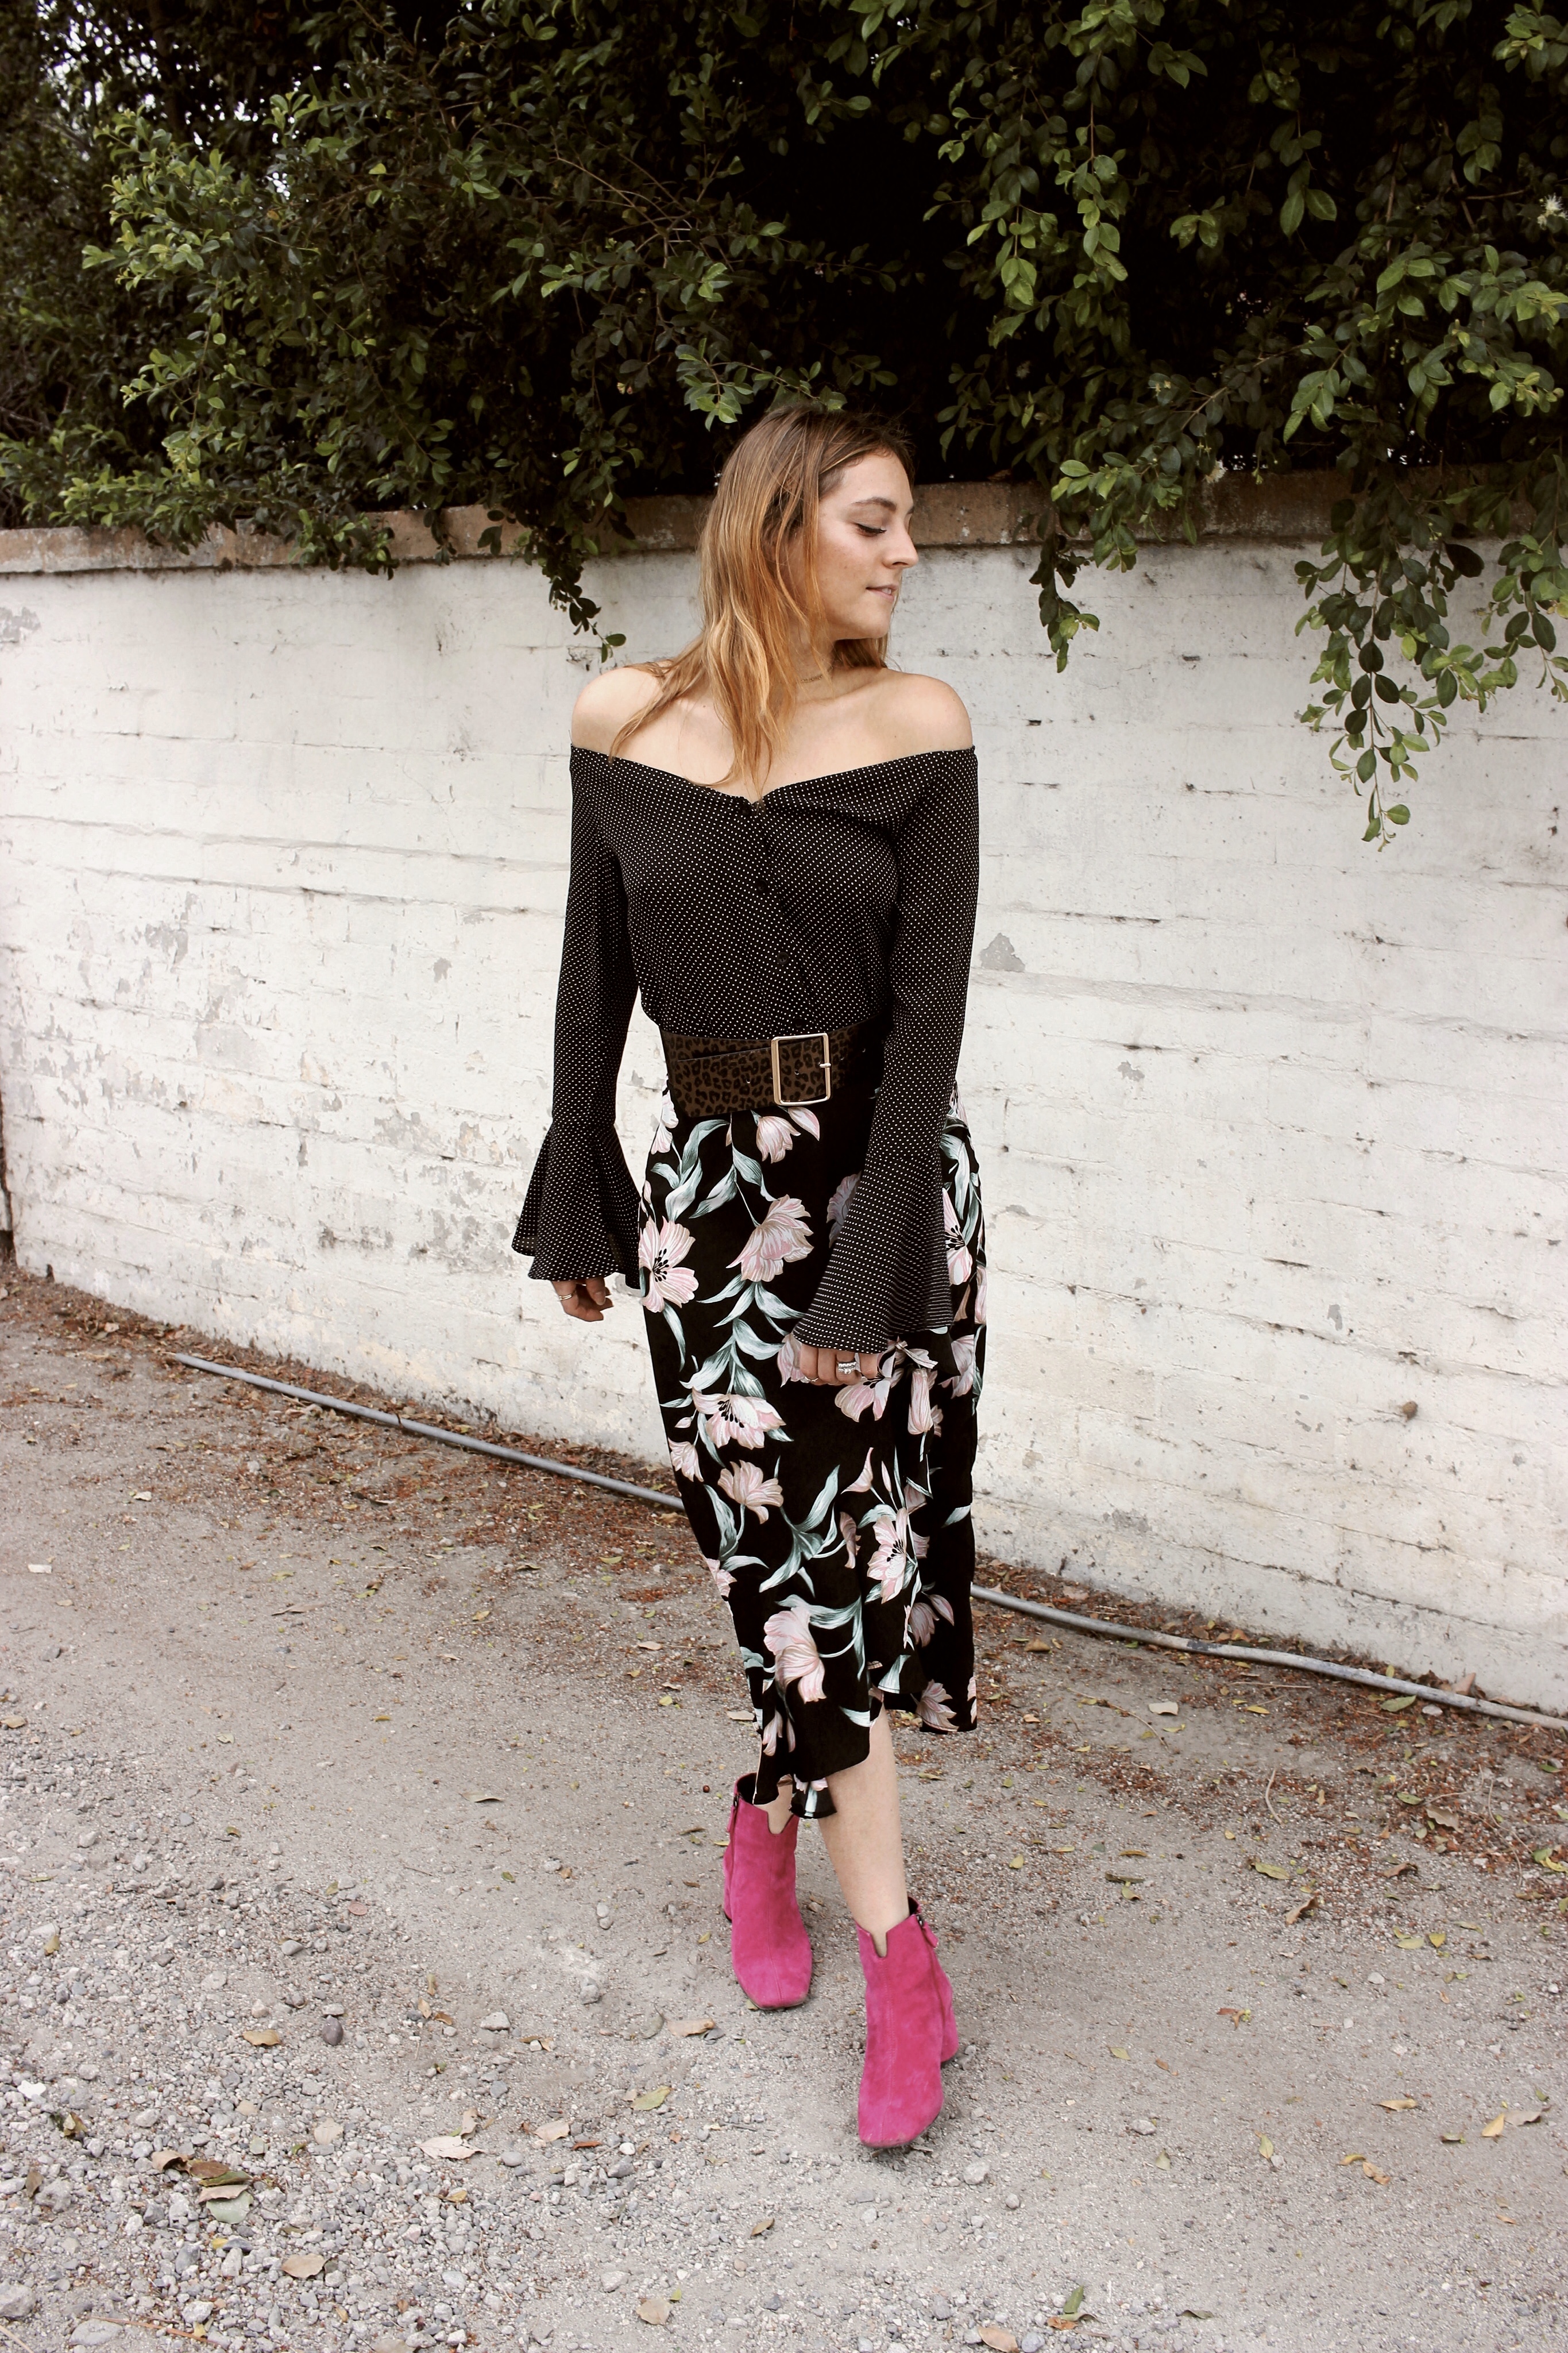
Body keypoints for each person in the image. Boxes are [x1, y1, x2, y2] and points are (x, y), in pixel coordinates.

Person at [513, 404, 986, 2148]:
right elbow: (593, 972)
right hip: (711, 1205)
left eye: (905, 524)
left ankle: (892, 1956)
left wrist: (871, 1273)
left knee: (841, 1569)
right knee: (770, 1559)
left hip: (884, 1186)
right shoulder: (622, 719)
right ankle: (769, 1836)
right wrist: (579, 1172)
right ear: (778, 523)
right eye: (874, 521)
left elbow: (930, 1028)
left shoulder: (918, 725)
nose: (905, 553)